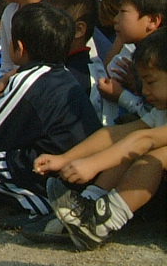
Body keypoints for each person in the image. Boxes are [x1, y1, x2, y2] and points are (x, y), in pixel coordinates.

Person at [36, 26, 167, 249]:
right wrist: (64, 158)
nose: (144, 91)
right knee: (126, 144)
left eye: (151, 81)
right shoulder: (161, 111)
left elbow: (146, 140)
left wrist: (93, 165)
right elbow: (114, 134)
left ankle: (101, 223)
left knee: (155, 155)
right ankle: (88, 206)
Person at [0, 2, 101, 226]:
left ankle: (42, 203)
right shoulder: (61, 74)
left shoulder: (30, 80)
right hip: (76, 167)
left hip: (49, 172)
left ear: (19, 47)